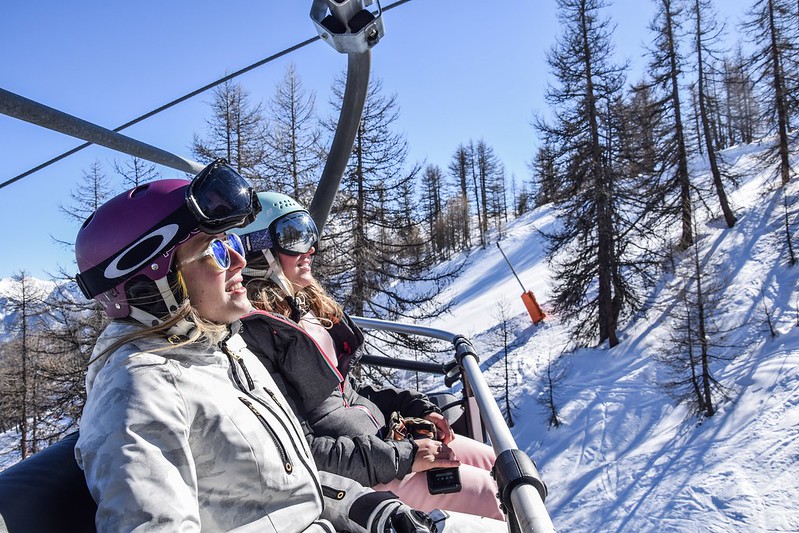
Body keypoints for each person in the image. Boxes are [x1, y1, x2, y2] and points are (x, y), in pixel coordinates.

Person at [72, 160, 445, 532]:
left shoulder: (220, 348)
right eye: (215, 251)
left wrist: (366, 507)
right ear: (155, 285)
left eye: (232, 242)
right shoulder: (138, 392)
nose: (238, 260)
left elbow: (291, 479)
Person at [233, 192, 505, 521]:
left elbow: (351, 396)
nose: (310, 249)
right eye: (294, 236)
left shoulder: (305, 308)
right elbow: (303, 448)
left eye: (309, 233)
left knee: (502, 466)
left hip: (388, 441)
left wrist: (414, 407)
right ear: (257, 249)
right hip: (367, 475)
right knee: (497, 496)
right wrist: (405, 458)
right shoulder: (255, 338)